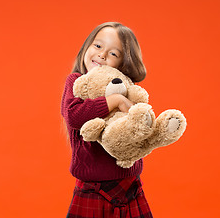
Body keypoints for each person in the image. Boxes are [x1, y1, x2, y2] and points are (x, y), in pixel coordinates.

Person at [61, 22, 153, 218]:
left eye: (113, 53)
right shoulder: (76, 82)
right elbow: (73, 116)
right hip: (92, 189)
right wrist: (114, 100)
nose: (102, 55)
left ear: (123, 64)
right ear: (87, 46)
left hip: (130, 186)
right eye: (98, 46)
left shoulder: (127, 87)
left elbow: (137, 129)